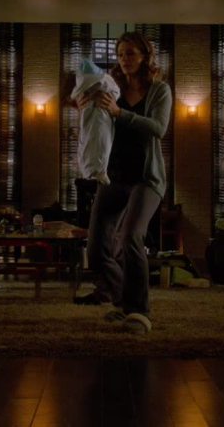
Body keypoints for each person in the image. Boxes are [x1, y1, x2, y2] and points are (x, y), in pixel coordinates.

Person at [72, 32, 172, 335]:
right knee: (96, 246)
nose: (124, 59)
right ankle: (121, 302)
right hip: (114, 176)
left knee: (130, 237)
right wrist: (84, 107)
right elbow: (93, 116)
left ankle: (140, 312)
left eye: (130, 53)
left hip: (147, 178)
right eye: (120, 54)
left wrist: (120, 113)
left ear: (144, 56)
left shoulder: (160, 90)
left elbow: (158, 128)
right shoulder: (111, 87)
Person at [70, 58, 121, 185]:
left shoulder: (108, 84)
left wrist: (116, 110)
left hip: (121, 158)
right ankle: (93, 170)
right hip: (96, 116)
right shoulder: (105, 85)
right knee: (91, 139)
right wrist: (85, 103)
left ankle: (96, 170)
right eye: (121, 55)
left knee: (99, 139)